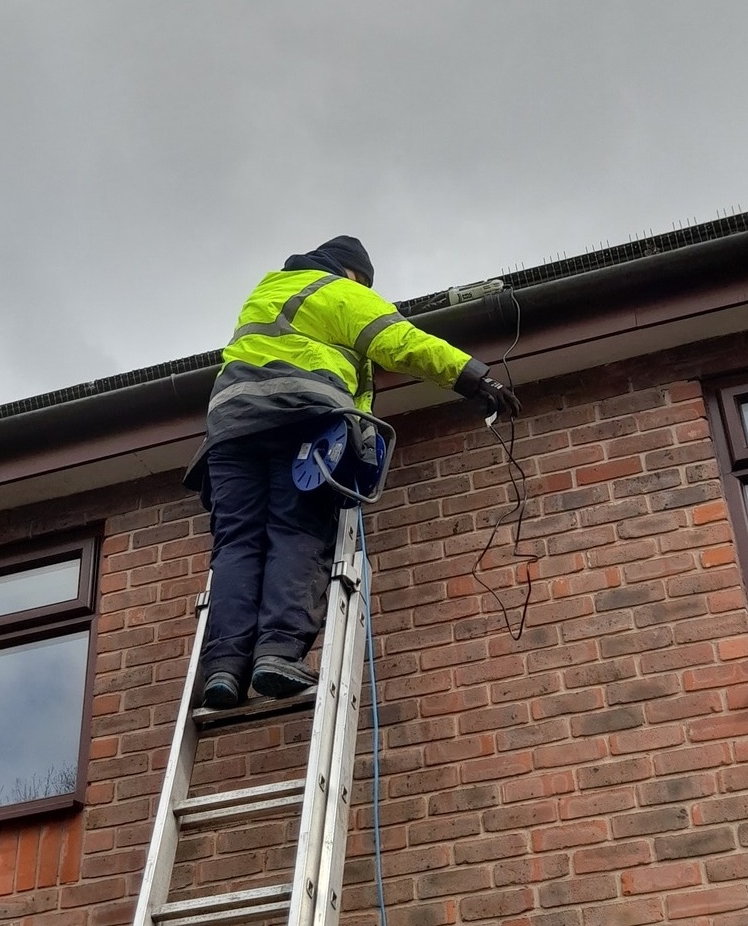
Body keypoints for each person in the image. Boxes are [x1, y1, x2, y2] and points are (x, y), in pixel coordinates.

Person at [183, 236, 520, 709]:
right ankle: (277, 653)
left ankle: (224, 668)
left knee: (237, 544)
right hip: (298, 418)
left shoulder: (266, 291)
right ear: (354, 274)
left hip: (229, 431)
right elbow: (400, 342)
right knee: (297, 530)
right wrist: (475, 377)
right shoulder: (339, 291)